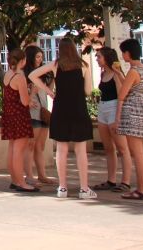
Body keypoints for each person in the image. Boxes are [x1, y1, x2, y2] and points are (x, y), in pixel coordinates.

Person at [30, 38, 96, 200]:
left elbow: (32, 75)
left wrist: (48, 90)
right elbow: (88, 91)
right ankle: (84, 188)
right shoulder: (84, 65)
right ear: (74, 49)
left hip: (61, 109)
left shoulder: (56, 64)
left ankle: (62, 187)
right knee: (81, 150)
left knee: (61, 149)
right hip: (79, 109)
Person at [113, 37, 143, 200]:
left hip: (132, 111)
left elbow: (122, 95)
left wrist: (117, 118)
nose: (123, 56)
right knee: (142, 153)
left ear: (128, 53)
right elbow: (131, 85)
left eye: (123, 52)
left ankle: (141, 190)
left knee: (136, 153)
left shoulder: (133, 71)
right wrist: (119, 73)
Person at [92, 47, 132, 193]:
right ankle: (111, 179)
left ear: (107, 57)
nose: (97, 59)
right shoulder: (103, 73)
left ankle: (126, 181)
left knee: (122, 148)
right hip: (103, 108)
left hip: (114, 108)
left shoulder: (116, 74)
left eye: (99, 57)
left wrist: (117, 118)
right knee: (108, 148)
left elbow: (122, 95)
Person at [1, 48, 37, 192]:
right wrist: (32, 92)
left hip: (9, 114)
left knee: (12, 148)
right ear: (22, 61)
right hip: (19, 115)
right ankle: (21, 182)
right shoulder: (19, 76)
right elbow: (24, 101)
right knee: (19, 150)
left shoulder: (7, 74)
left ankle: (15, 180)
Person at [23, 45, 55, 185]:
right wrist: (29, 97)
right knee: (31, 144)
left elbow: (50, 90)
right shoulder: (25, 74)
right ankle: (29, 175)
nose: (40, 60)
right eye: (37, 57)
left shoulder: (44, 73)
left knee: (40, 145)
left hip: (43, 110)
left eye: (41, 57)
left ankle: (42, 175)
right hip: (32, 112)